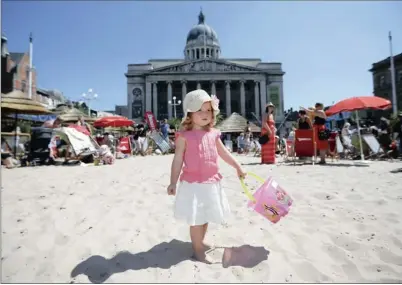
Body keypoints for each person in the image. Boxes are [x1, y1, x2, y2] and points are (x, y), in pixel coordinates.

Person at [167, 89, 246, 263]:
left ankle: (200, 242)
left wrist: (237, 166)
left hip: (211, 182)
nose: (205, 114)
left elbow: (224, 153)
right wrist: (173, 182)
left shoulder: (214, 134)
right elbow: (178, 159)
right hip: (193, 183)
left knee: (206, 215)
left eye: (208, 110)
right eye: (200, 110)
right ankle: (197, 249)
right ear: (189, 113)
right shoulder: (184, 136)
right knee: (196, 217)